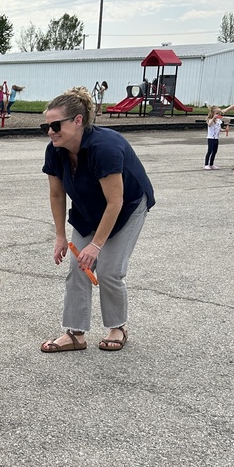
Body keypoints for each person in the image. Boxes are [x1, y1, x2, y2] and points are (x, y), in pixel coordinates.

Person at [39, 86, 155, 353]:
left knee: (109, 270)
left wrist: (97, 245)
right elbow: (57, 195)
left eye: (55, 125)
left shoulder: (105, 147)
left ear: (78, 121)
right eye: (46, 126)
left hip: (127, 207)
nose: (50, 132)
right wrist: (60, 235)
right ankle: (75, 334)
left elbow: (116, 202)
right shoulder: (54, 150)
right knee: (77, 268)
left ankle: (118, 326)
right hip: (87, 208)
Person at [203, 105, 229, 170]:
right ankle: (206, 164)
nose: (218, 115)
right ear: (213, 113)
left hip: (216, 138)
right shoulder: (210, 120)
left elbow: (219, 129)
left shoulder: (219, 121)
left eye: (219, 113)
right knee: (210, 151)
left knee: (214, 151)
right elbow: (209, 125)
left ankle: (211, 164)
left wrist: (225, 130)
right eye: (217, 113)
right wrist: (213, 118)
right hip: (211, 138)